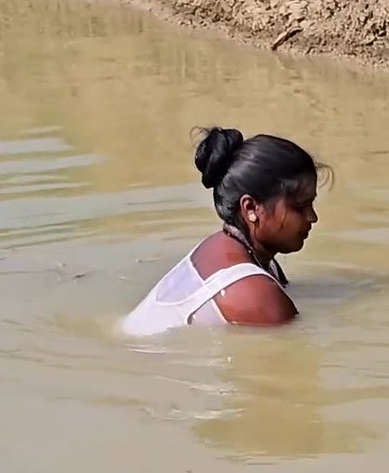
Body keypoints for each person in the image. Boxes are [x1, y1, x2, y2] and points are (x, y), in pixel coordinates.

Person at [118, 127, 324, 336]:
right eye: (300, 206)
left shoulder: (244, 254)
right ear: (250, 208)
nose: (312, 217)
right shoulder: (252, 291)